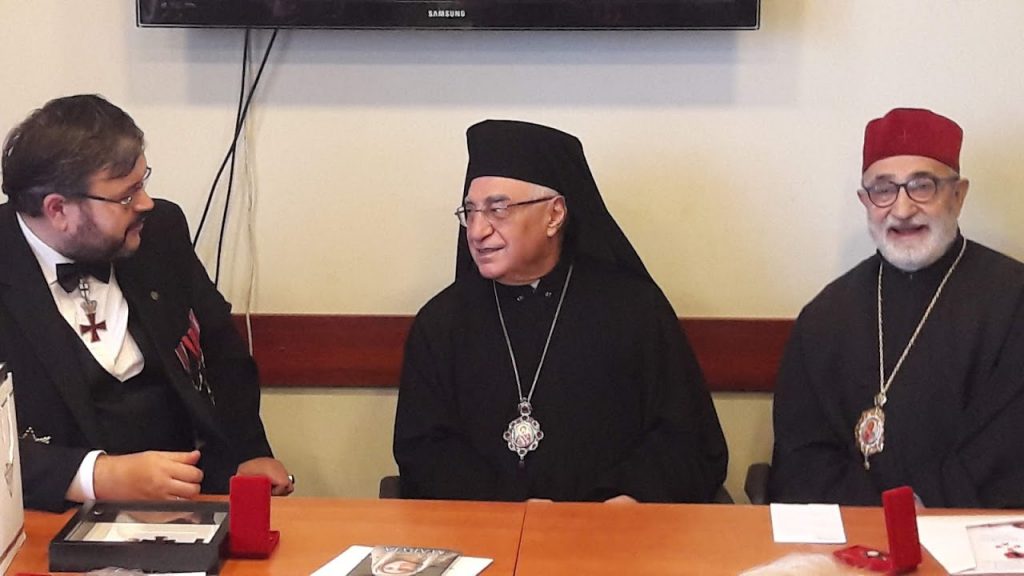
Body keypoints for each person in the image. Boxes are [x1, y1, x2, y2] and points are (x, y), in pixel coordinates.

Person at [393, 119, 727, 503]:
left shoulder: (634, 311)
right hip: (485, 529)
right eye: (470, 211)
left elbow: (687, 440)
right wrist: (507, 505)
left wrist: (629, 497)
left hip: (611, 531)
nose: (477, 230)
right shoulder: (441, 324)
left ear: (554, 215)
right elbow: (424, 451)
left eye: (498, 209)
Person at [0, 94, 293, 511]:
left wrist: (248, 451)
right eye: (127, 195)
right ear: (58, 209)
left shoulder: (161, 231)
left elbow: (222, 352)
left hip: (194, 498)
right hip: (50, 515)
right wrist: (95, 476)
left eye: (143, 182)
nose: (146, 203)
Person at [769, 108, 1024, 507]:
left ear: (958, 195)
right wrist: (876, 516)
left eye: (922, 186)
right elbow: (802, 457)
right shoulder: (825, 316)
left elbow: (1007, 448)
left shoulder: (1014, 299)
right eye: (883, 190)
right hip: (853, 531)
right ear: (865, 201)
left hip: (970, 529)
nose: (902, 210)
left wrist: (922, 507)